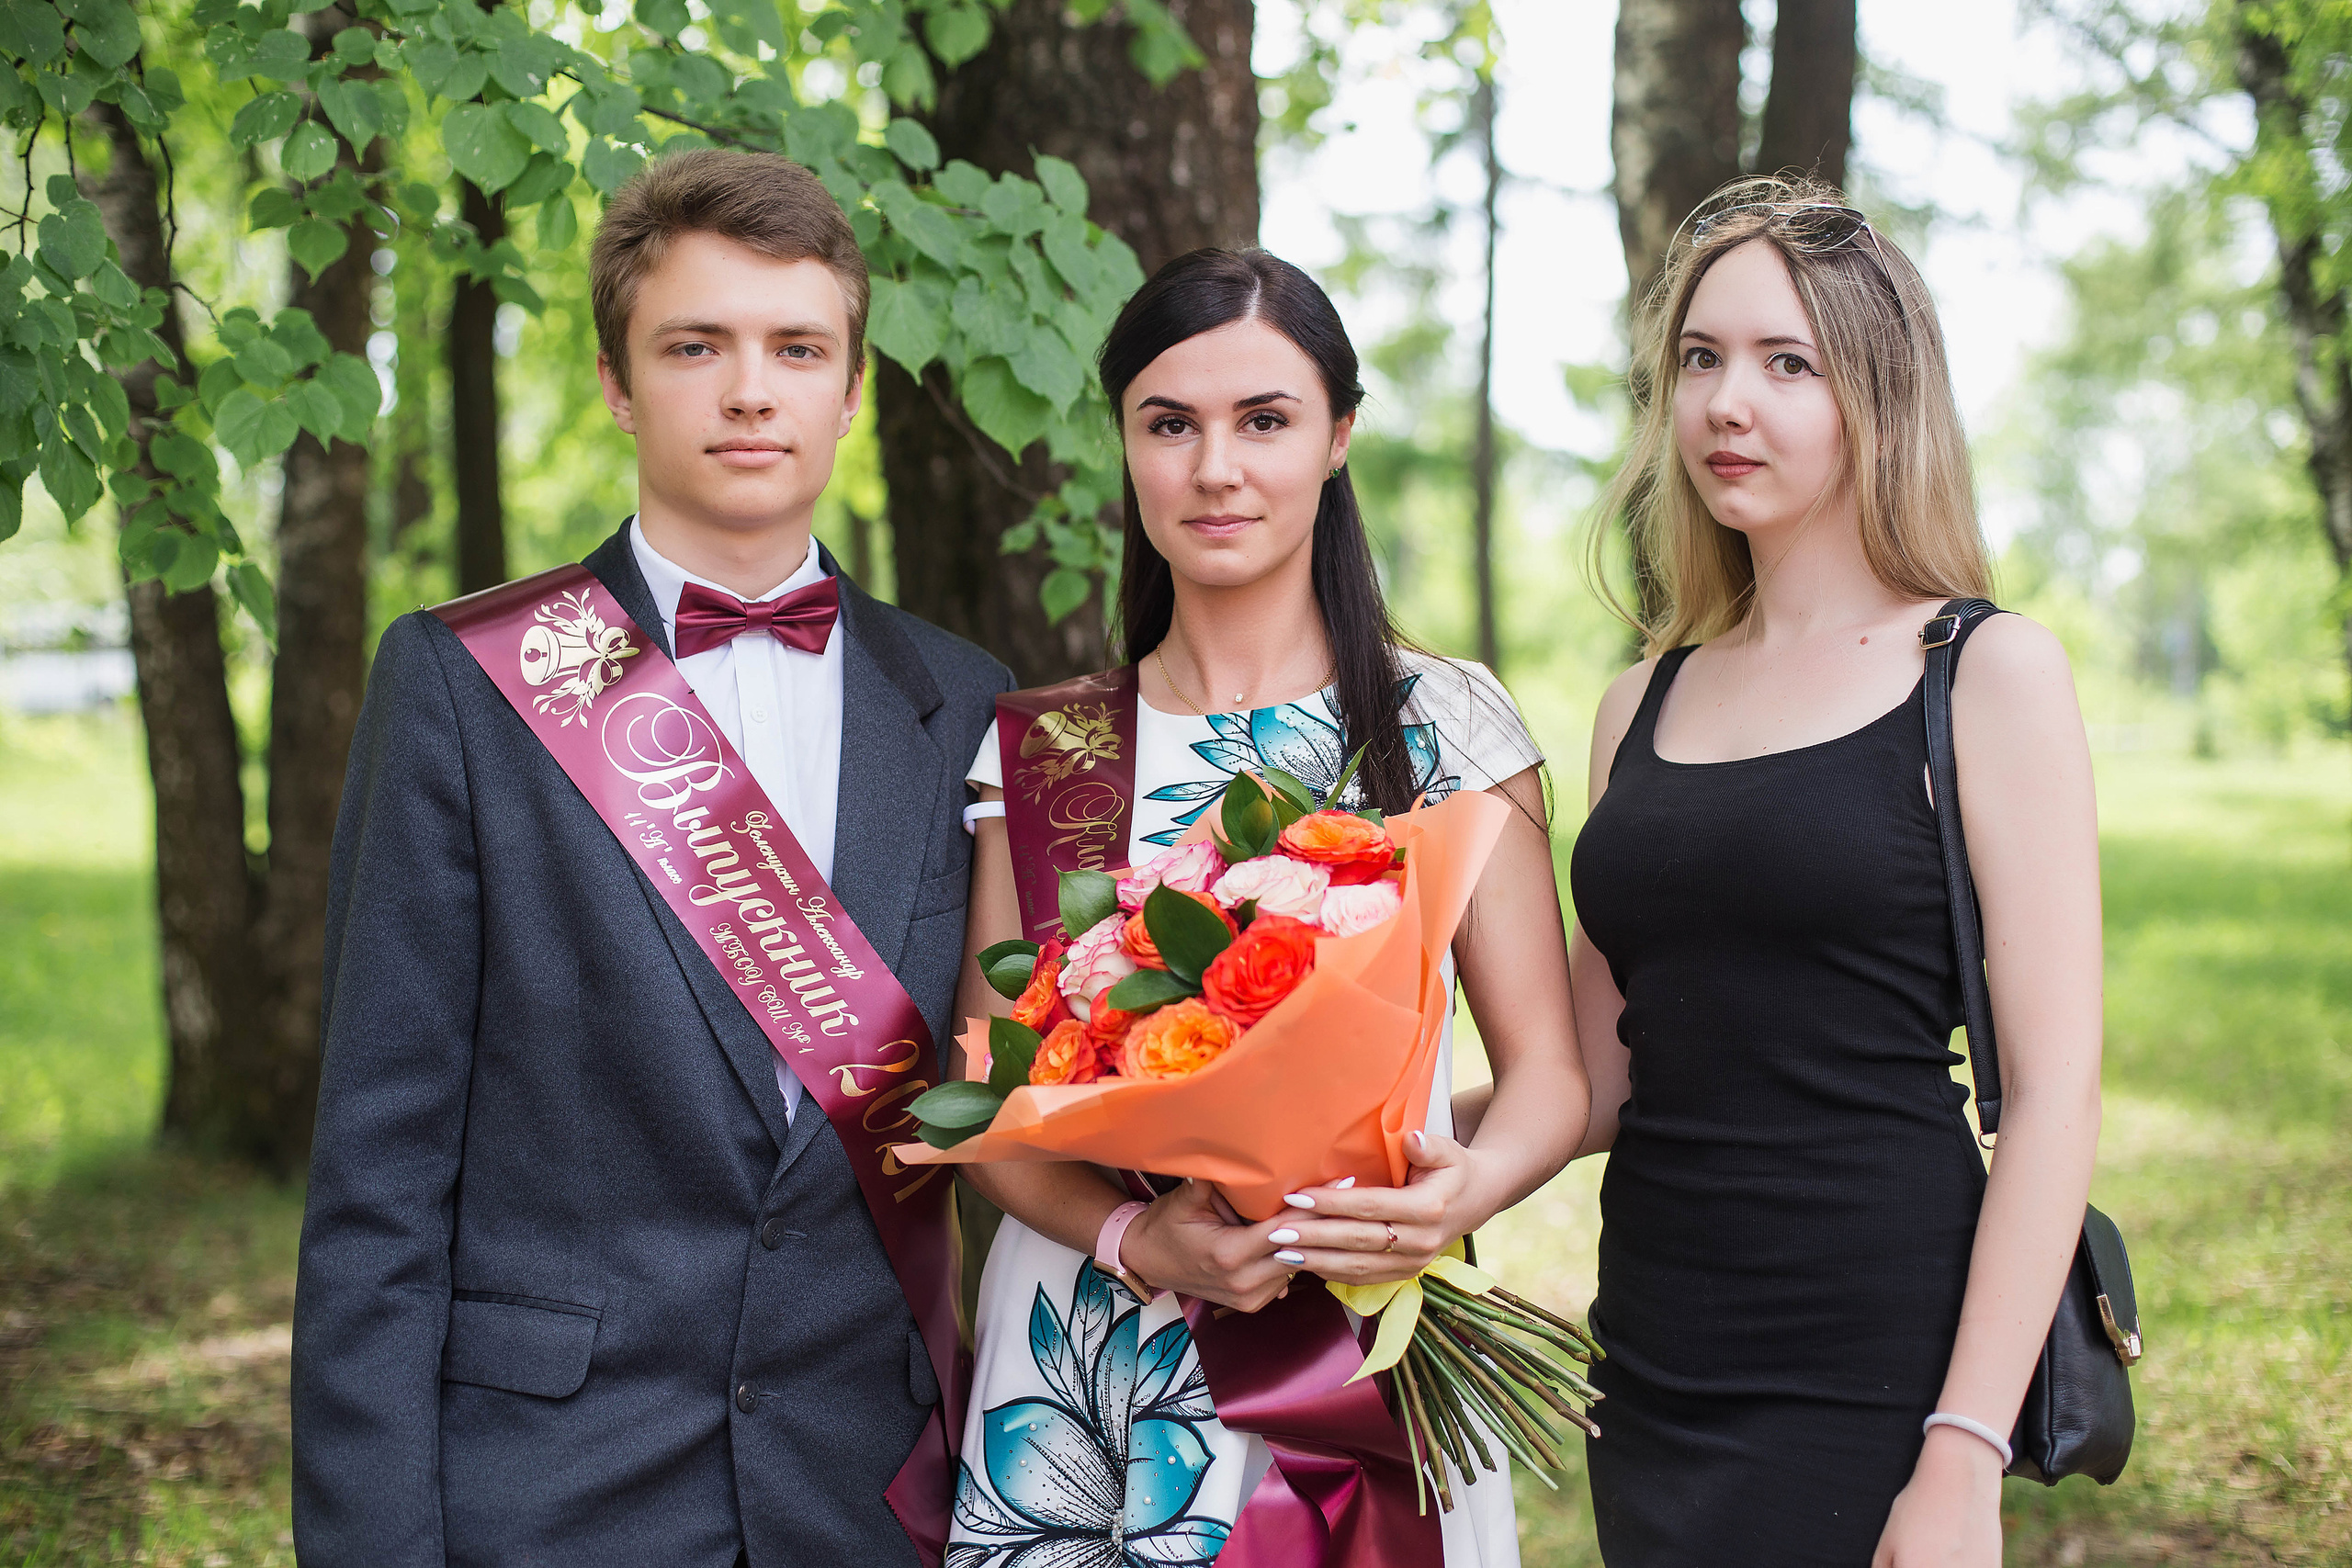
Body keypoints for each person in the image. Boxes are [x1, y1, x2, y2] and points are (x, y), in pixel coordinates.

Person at [291, 149, 1010, 1567]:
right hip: (553, 1497)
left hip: (870, 1499)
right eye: (695, 346)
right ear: (618, 384)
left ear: (850, 389)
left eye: (797, 347)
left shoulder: (968, 705)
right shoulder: (465, 686)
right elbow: (378, 1187)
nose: (751, 391)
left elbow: (1015, 1104)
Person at [947, 247, 1591, 1567]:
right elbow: (992, 1110)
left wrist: (1462, 1195)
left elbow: (1550, 1077)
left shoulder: (1444, 725)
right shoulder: (1048, 751)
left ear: (1338, 436)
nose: (1215, 469)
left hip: (1363, 1327)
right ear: (1126, 445)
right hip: (1092, 1349)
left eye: (1264, 421)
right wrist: (1138, 1237)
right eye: (1169, 424)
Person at [1559, 176, 2105, 1565]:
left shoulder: (1985, 673)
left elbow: (2054, 1096)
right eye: (1700, 359)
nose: (1726, 404)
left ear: (1877, 396)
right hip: (1651, 1360)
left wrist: (1964, 1451)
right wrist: (1350, 1146)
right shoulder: (1641, 704)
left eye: (1785, 364)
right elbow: (1589, 1082)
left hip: (1877, 1366)